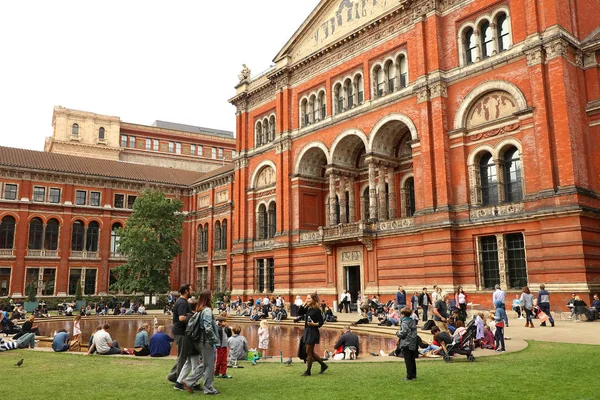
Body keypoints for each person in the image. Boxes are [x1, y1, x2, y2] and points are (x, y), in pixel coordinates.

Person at [179, 289, 220, 395]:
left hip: (199, 341)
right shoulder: (207, 310)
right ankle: (208, 388)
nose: (212, 297)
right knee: (209, 366)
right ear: (207, 297)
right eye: (211, 295)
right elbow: (208, 328)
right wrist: (214, 339)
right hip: (205, 341)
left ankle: (189, 381)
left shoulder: (199, 310)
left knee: (207, 363)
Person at [167, 284, 194, 383]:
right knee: (182, 357)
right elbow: (181, 318)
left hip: (180, 332)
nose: (192, 291)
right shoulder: (182, 302)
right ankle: (179, 379)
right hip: (181, 332)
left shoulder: (182, 301)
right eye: (191, 289)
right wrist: (192, 317)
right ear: (186, 291)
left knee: (182, 355)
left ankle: (172, 376)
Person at [297, 293, 328, 376]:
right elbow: (299, 312)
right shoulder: (308, 308)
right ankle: (323, 365)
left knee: (309, 352)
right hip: (307, 330)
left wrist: (314, 324)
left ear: (313, 300)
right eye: (307, 298)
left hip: (313, 331)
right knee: (310, 352)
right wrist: (304, 304)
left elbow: (321, 322)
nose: (307, 300)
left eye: (309, 299)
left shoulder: (316, 310)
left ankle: (308, 371)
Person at [397, 307, 418, 381]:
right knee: (412, 359)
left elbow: (403, 333)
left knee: (407, 360)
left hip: (406, 343)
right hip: (412, 342)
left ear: (403, 314)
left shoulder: (404, 322)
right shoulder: (413, 321)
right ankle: (414, 375)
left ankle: (409, 376)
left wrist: (398, 333)